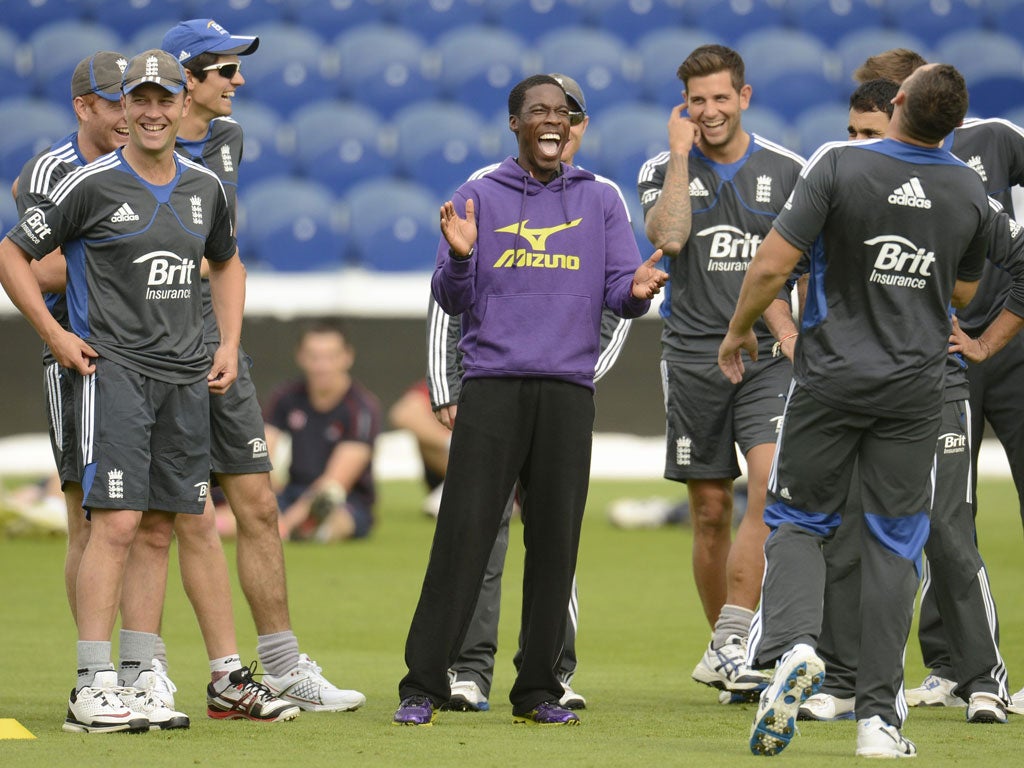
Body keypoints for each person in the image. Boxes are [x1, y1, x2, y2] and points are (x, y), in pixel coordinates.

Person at [719, 63, 993, 758]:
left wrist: (738, 330)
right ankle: (878, 719)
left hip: (829, 379)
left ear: (896, 101)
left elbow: (773, 266)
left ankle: (790, 650)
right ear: (955, 126)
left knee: (796, 518)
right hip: (914, 389)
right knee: (895, 543)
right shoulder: (968, 186)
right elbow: (964, 292)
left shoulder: (839, 163)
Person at [393, 73, 667, 727]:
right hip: (492, 388)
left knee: (555, 545)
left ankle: (538, 689)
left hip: (568, 393)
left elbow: (618, 294)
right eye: (538, 111)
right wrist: (459, 259)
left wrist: (640, 289)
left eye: (563, 112)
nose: (553, 120)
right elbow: (450, 297)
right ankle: (423, 685)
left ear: (573, 126)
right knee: (463, 537)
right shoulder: (478, 193)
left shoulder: (601, 199)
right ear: (515, 123)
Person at [0, 48, 251, 733]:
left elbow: (227, 264)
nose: (150, 111)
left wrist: (226, 343)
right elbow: (10, 252)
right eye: (138, 99)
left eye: (163, 98)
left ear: (180, 105)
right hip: (114, 379)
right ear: (125, 108)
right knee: (110, 523)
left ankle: (141, 679)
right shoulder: (90, 184)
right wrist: (54, 337)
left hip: (183, 380)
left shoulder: (206, 187)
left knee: (160, 527)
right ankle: (92, 683)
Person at [141, 18, 366, 713]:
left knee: (260, 507)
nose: (238, 81)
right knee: (160, 520)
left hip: (219, 353)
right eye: (225, 71)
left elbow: (222, 254)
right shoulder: (132, 147)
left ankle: (283, 665)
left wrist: (229, 340)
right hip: (148, 358)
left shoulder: (228, 141)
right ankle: (136, 672)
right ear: (186, 78)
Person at [794, 77, 1014, 727]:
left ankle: (983, 678)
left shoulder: (954, 187)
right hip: (851, 384)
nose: (859, 141)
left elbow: (1006, 265)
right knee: (847, 534)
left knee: (945, 529)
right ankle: (843, 679)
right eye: (853, 132)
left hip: (932, 382)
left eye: (870, 129)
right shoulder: (841, 180)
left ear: (896, 117)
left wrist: (983, 343)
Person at [856, 47, 1024, 717]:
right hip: (939, 353)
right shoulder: (875, 169)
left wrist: (991, 335)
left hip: (1008, 348)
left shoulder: (996, 141)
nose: (891, 106)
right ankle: (952, 667)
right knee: (944, 517)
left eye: (892, 94)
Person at [637, 44, 803, 697]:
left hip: (765, 355)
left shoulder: (789, 171)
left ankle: (738, 634)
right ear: (685, 105)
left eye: (720, 98)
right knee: (709, 511)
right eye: (696, 101)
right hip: (691, 355)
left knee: (767, 483)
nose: (709, 111)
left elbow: (805, 270)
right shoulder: (663, 167)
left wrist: (794, 335)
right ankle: (727, 654)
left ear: (745, 97)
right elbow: (669, 237)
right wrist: (681, 155)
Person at [12, 51, 129, 629]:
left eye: (133, 97)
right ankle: (95, 669)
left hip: (149, 355)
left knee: (149, 518)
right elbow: (33, 267)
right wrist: (120, 252)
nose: (128, 112)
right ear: (82, 106)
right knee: (87, 512)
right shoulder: (48, 172)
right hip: (80, 354)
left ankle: (143, 666)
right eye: (113, 101)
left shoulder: (152, 158)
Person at [261, 321, 381, 542]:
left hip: (345, 501)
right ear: (300, 356)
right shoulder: (285, 396)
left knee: (336, 519)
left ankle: (312, 529)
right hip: (291, 491)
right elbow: (261, 452)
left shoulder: (362, 408)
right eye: (314, 356)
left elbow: (336, 481)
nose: (321, 365)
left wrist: (284, 524)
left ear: (347, 356)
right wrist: (266, 490)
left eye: (330, 356)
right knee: (244, 512)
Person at [387, 379, 449, 518]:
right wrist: (454, 444)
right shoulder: (449, 377)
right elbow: (403, 413)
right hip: (447, 465)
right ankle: (461, 486)